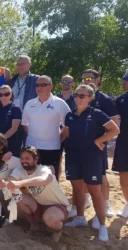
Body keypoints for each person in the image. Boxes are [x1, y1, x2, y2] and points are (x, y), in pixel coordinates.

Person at [63, 85, 119, 242]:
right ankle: (80, 217)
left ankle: (102, 226)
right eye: (76, 95)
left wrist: (99, 140)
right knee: (77, 189)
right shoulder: (69, 115)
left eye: (82, 95)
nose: (78, 98)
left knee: (95, 191)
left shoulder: (97, 114)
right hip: (73, 156)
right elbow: (65, 134)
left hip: (91, 157)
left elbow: (115, 130)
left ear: (90, 98)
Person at [0, 146, 70, 243]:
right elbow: (12, 179)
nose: (24, 161)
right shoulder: (20, 170)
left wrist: (21, 183)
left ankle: (58, 230)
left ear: (36, 159)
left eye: (27, 158)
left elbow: (46, 179)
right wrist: (5, 183)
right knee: (17, 197)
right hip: (38, 204)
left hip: (57, 206)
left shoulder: (44, 169)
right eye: (22, 158)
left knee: (50, 218)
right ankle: (34, 224)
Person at [80, 69, 119, 218]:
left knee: (101, 176)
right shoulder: (79, 97)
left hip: (98, 145)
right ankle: (87, 199)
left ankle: (106, 203)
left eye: (89, 79)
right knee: (83, 174)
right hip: (82, 144)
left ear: (97, 80)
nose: (86, 81)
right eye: (83, 79)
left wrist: (101, 141)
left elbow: (115, 125)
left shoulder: (105, 100)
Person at [21, 75, 70, 179]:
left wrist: (56, 139)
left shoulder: (60, 103)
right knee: (31, 176)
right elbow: (25, 125)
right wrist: (37, 136)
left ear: (51, 86)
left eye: (43, 85)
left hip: (52, 148)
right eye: (37, 85)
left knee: (50, 178)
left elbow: (67, 127)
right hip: (32, 147)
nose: (40, 87)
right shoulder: (29, 104)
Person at [113, 71, 128, 223]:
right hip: (124, 142)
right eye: (123, 77)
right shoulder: (121, 100)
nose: (123, 81)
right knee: (123, 174)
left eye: (126, 78)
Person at [0, 85, 22, 157]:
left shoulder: (16, 109)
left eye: (6, 94)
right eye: (0, 95)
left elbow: (14, 128)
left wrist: (1, 140)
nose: (3, 97)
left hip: (10, 145)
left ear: (11, 95)